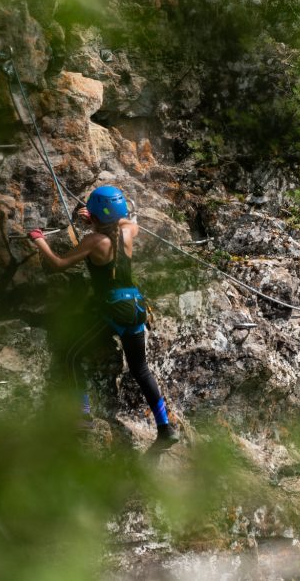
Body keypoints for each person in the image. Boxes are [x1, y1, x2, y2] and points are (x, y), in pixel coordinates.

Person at [28, 185, 178, 449]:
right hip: (135, 308)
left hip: (111, 310)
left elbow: (58, 264)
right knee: (140, 369)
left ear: (95, 217)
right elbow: (125, 220)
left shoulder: (93, 241)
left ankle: (82, 415)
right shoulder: (129, 231)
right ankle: (165, 427)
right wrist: (97, 219)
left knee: (70, 354)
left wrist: (39, 240)